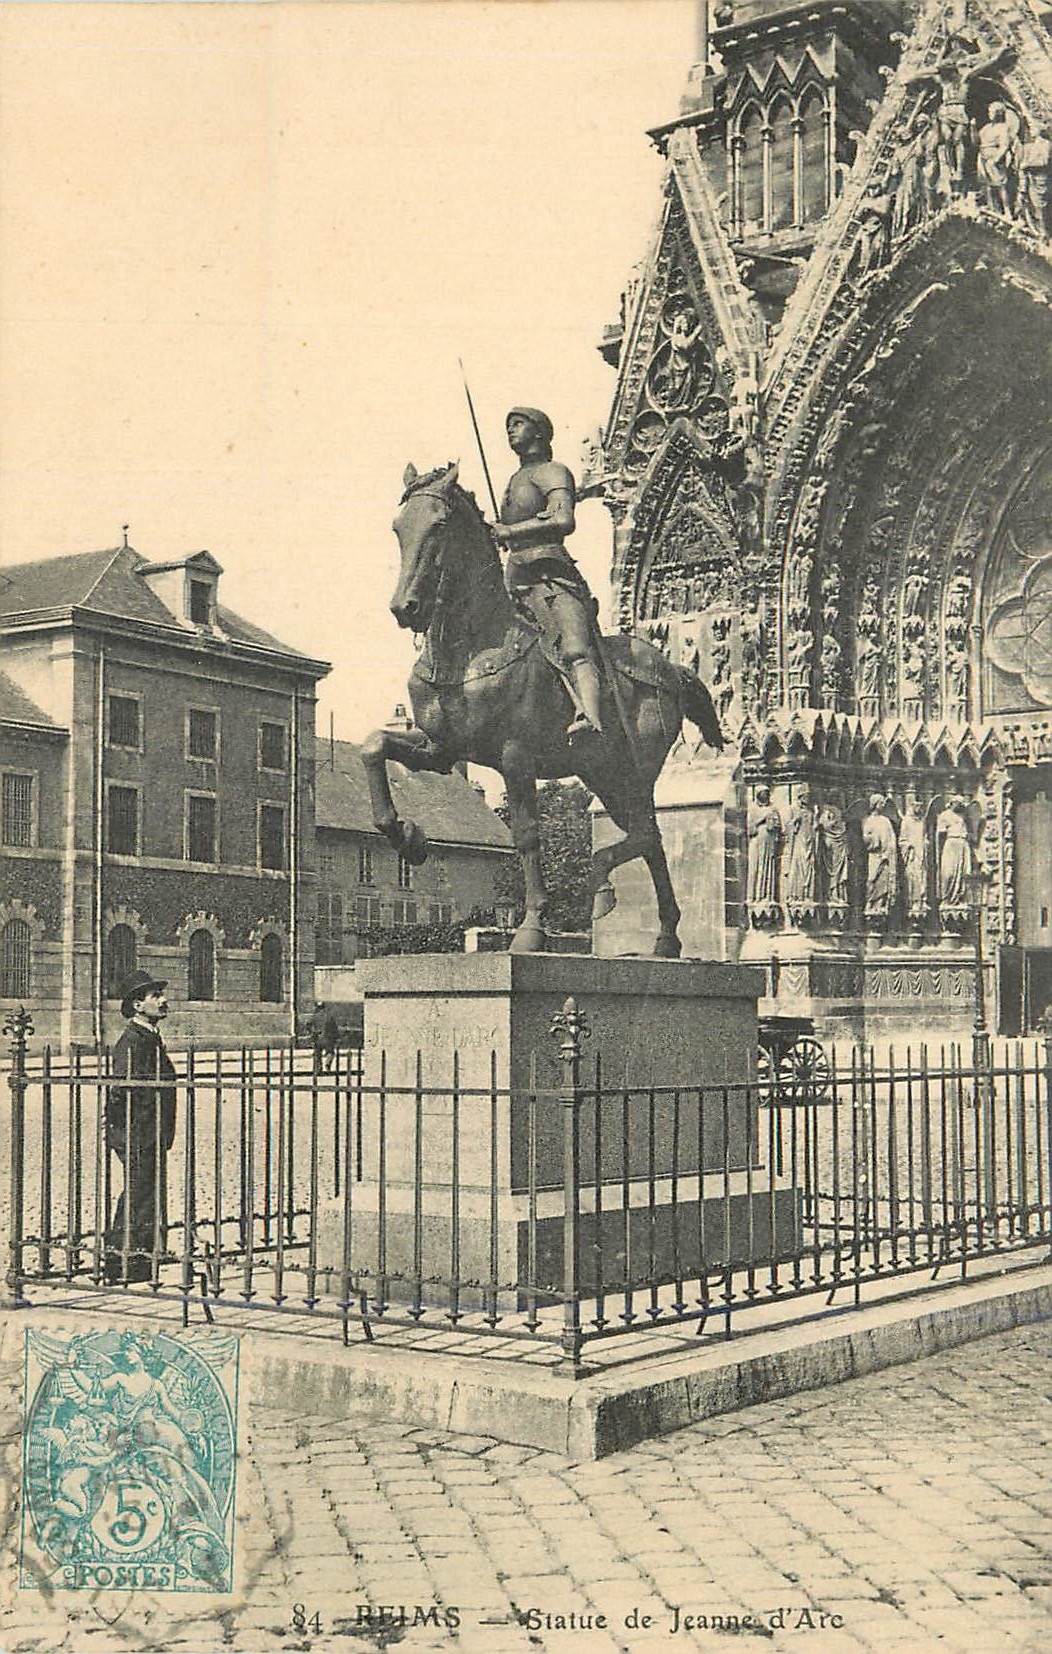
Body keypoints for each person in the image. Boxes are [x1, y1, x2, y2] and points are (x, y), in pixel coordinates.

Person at [491, 407, 604, 739]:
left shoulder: (554, 472)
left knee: (575, 648)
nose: (510, 430)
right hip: (514, 577)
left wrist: (509, 532)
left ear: (539, 432)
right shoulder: (514, 480)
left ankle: (590, 716)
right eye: (507, 425)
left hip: (551, 575)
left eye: (518, 424)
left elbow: (562, 520)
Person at [104, 970, 177, 1284]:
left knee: (146, 1193)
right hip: (138, 1133)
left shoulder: (149, 1036)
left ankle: (141, 1259)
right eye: (154, 996)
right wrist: (131, 1132)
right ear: (137, 1005)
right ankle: (120, 1262)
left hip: (150, 1132)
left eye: (161, 994)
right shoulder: (134, 1040)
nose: (163, 1001)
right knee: (138, 1194)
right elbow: (122, 1091)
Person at [309, 1001, 339, 1073]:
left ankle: (318, 1069)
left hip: (317, 1038)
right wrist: (336, 1037)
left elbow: (309, 1026)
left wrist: (312, 1035)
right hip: (328, 1038)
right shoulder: (329, 1016)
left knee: (317, 1054)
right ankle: (327, 1064)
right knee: (330, 1052)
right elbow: (334, 1027)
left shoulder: (314, 1016)